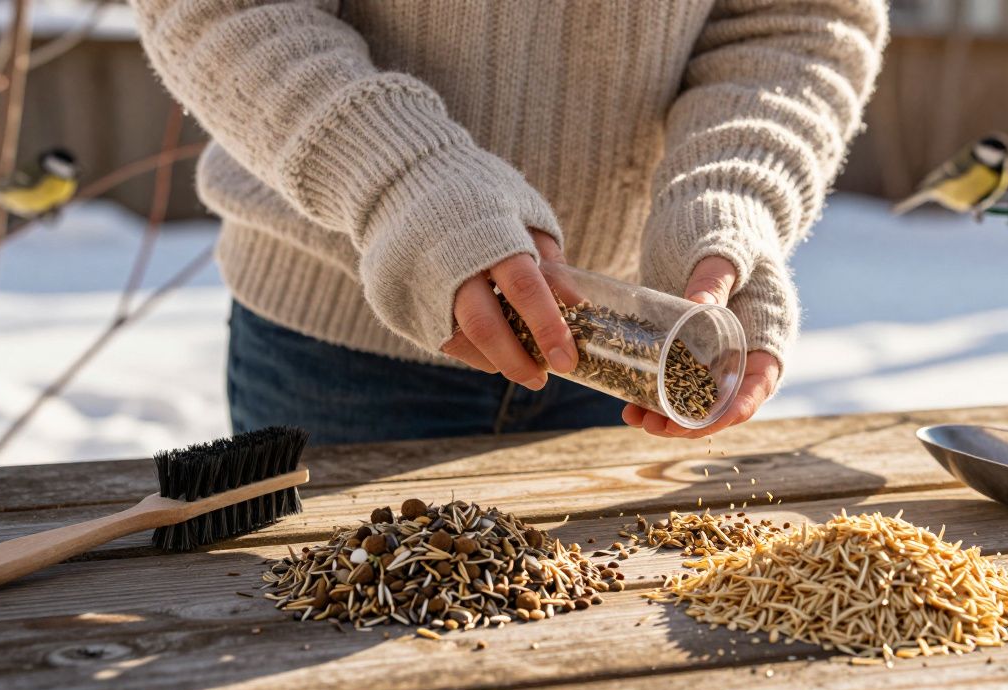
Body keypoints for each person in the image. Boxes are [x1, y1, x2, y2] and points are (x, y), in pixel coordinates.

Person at [132, 0, 887, 444]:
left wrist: (734, 193)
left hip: (628, 349)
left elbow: (801, 19)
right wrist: (404, 180)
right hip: (337, 347)